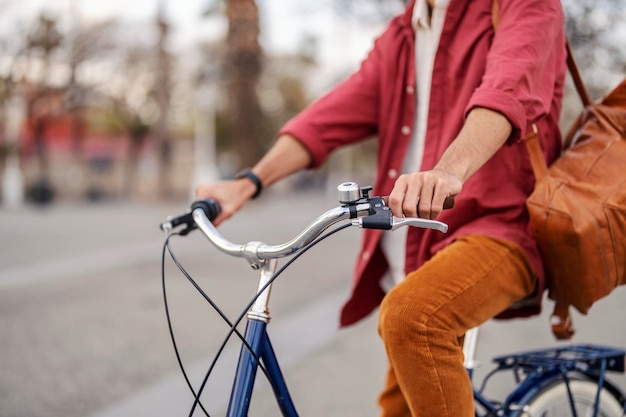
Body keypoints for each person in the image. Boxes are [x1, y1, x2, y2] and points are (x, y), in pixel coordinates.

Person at [195, 0, 567, 415]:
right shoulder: (404, 32)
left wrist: (447, 171)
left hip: (500, 229)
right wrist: (248, 182)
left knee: (414, 318)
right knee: (399, 402)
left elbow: (507, 90)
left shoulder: (525, 5)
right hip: (419, 248)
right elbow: (330, 116)